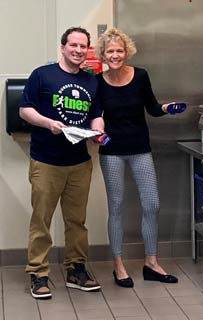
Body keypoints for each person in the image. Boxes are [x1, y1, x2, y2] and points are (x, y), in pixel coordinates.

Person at [95, 27, 185, 288]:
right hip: (112, 151)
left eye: (119, 50)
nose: (115, 55)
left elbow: (153, 108)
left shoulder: (140, 76)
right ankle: (119, 265)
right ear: (103, 54)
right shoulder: (98, 82)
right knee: (117, 207)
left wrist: (166, 108)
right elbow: (97, 115)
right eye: (110, 51)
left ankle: (151, 263)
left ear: (127, 52)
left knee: (152, 204)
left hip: (139, 149)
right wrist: (97, 131)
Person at [19, 26, 104, 299]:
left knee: (77, 221)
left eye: (83, 46)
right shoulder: (42, 75)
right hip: (46, 161)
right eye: (74, 45)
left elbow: (96, 114)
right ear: (63, 47)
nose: (78, 50)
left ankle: (76, 269)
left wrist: (99, 131)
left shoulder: (92, 81)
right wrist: (49, 123)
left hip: (80, 162)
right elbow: (25, 109)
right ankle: (38, 273)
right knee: (41, 220)